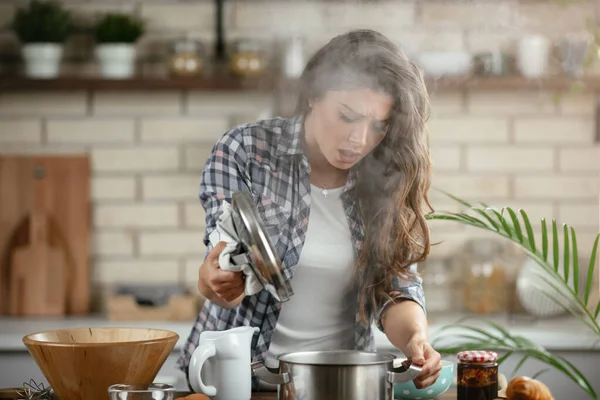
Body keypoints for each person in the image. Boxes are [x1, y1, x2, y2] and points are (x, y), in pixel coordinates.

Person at [177, 28, 442, 391]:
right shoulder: (245, 150)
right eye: (348, 116)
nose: (359, 139)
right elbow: (222, 256)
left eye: (378, 126)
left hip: (338, 385)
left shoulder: (385, 175)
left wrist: (415, 340)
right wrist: (218, 279)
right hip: (235, 383)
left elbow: (395, 289)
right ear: (314, 95)